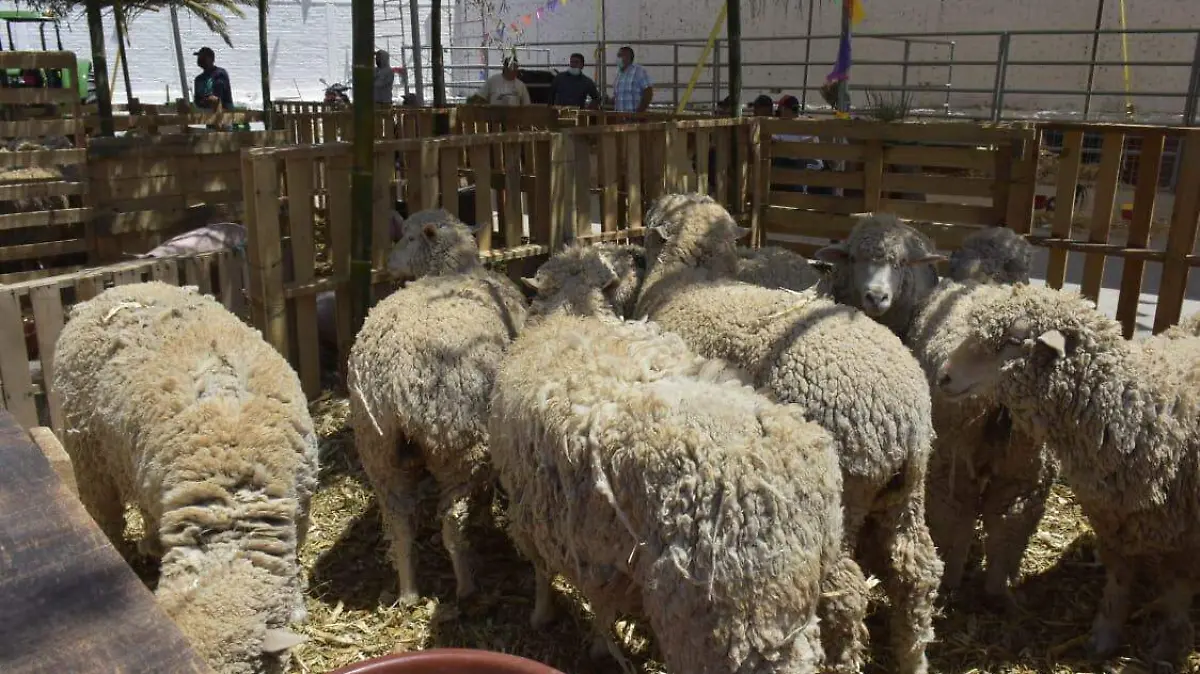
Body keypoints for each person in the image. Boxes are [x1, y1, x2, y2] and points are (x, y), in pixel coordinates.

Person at [192, 47, 233, 112]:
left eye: (202, 57)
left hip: (224, 115)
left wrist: (206, 100)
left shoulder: (220, 73)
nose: (199, 59)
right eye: (199, 57)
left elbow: (217, 98)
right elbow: (197, 101)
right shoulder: (199, 79)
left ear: (210, 59)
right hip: (207, 117)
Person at [613, 46, 652, 113]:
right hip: (620, 118)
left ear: (628, 57)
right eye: (617, 56)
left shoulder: (639, 71)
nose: (617, 59)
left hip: (635, 118)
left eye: (620, 55)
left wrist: (639, 113)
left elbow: (648, 92)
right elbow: (619, 96)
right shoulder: (619, 74)